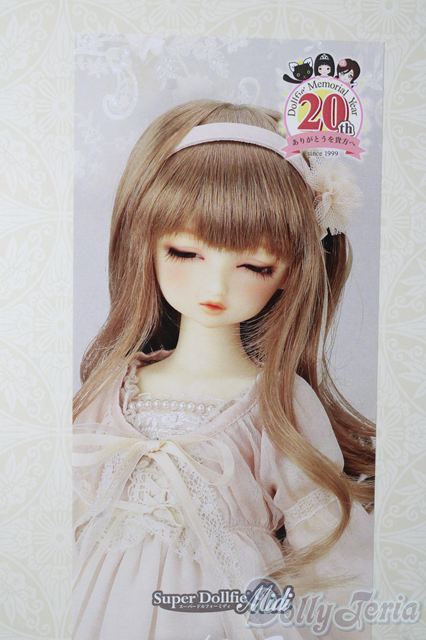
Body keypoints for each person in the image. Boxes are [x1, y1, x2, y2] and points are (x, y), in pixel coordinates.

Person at [72, 100, 375, 640]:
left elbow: (330, 553)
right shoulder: (111, 389)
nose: (215, 286)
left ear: (290, 272)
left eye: (254, 265)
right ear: (146, 245)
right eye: (185, 253)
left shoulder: (277, 402)